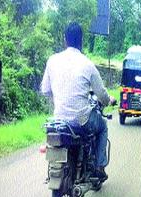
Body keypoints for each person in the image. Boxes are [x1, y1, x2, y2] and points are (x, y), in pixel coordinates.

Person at [41, 22, 115, 180]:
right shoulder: (87, 64)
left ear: (64, 40)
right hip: (81, 120)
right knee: (102, 126)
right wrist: (109, 101)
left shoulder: (52, 60)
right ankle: (99, 166)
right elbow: (101, 94)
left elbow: (45, 90)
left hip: (58, 120)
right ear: (81, 41)